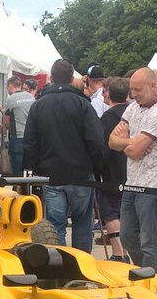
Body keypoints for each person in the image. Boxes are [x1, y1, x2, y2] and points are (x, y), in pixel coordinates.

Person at [23, 58, 106, 252]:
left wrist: (30, 173)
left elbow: (30, 143)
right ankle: (82, 267)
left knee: (55, 226)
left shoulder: (38, 106)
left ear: (51, 78)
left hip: (52, 176)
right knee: (82, 225)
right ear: (71, 79)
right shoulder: (83, 104)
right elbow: (95, 141)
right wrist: (99, 169)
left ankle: (59, 266)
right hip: (81, 175)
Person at [109, 68, 157, 270]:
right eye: (132, 89)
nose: (133, 94)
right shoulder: (133, 107)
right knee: (127, 236)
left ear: (154, 86)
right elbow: (111, 141)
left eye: (138, 90)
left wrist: (127, 143)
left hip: (152, 186)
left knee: (148, 240)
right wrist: (132, 142)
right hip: (132, 183)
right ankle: (142, 270)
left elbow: (134, 152)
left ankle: (150, 280)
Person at [96, 77, 130, 261]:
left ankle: (119, 253)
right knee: (125, 212)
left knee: (110, 212)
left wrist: (98, 169)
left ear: (109, 93)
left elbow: (103, 147)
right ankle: (125, 250)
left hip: (112, 171)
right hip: (131, 169)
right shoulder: (134, 113)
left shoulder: (107, 118)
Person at [4, 76, 35, 175]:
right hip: (31, 138)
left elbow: (6, 121)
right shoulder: (31, 97)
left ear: (10, 85)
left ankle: (19, 188)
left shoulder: (10, 99)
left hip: (18, 139)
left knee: (17, 170)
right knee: (30, 168)